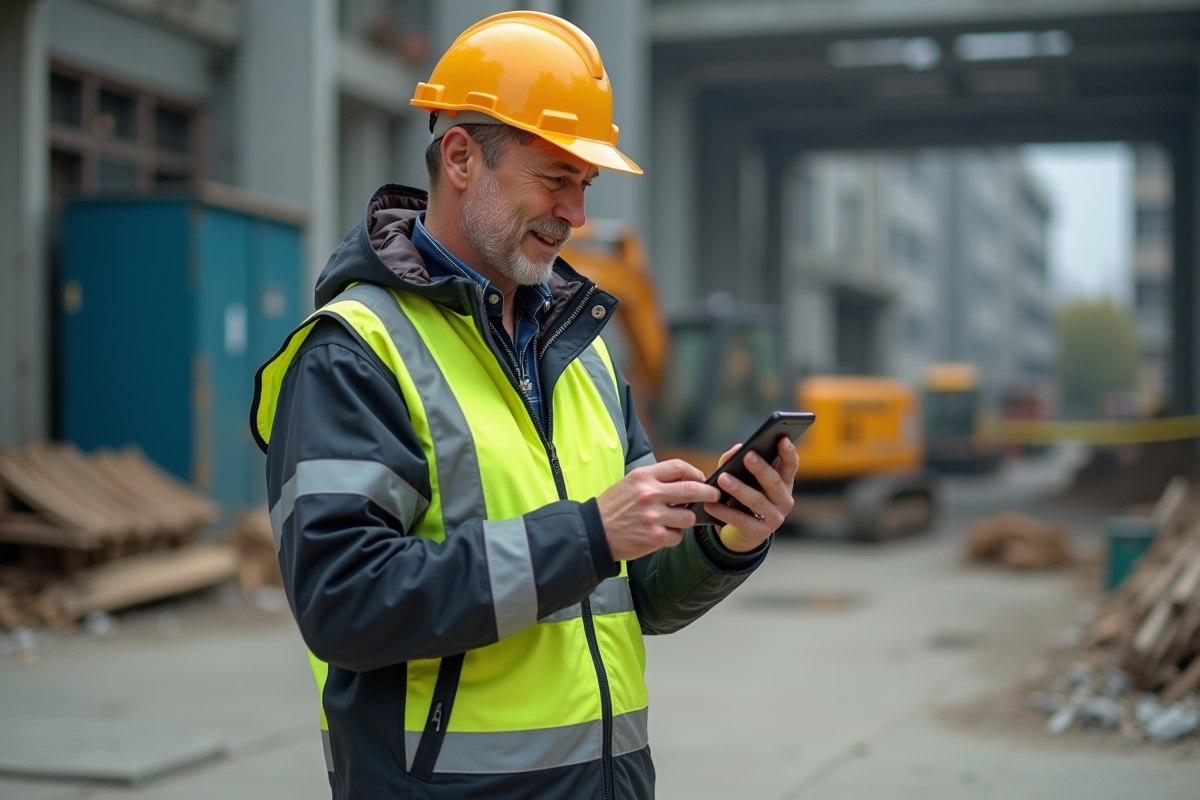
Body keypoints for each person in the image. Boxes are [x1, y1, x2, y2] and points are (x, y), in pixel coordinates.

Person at [250, 11, 797, 800]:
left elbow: (637, 592)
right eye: (554, 179)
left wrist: (729, 539)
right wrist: (587, 534)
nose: (576, 214)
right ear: (461, 157)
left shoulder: (586, 357)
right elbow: (344, 602)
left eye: (585, 185)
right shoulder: (355, 352)